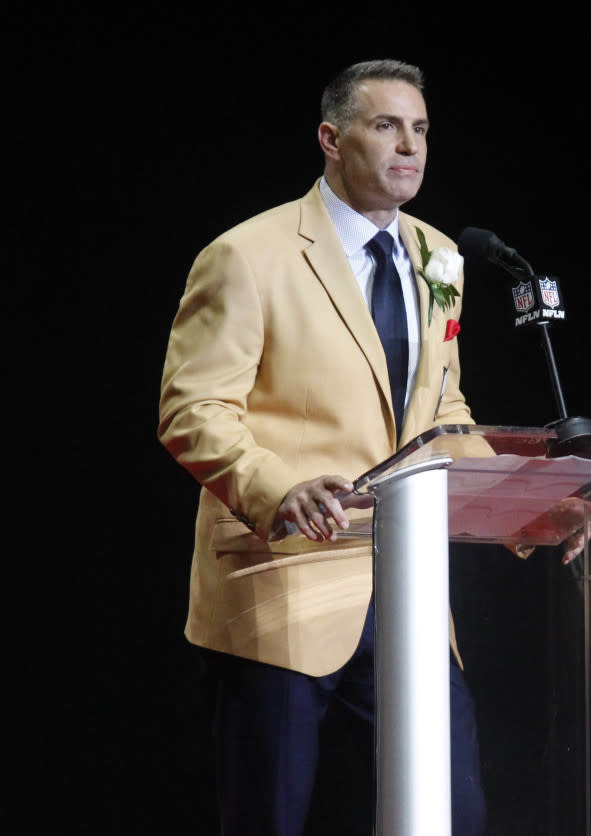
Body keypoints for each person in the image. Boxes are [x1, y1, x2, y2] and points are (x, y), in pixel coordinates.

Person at [159, 59, 485, 835]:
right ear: (331, 140)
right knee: (269, 819)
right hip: (283, 579)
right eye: (386, 126)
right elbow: (193, 408)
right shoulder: (248, 254)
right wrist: (277, 488)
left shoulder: (441, 258)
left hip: (405, 588)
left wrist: (518, 508)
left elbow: (442, 406)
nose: (409, 146)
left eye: (421, 129)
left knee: (454, 813)